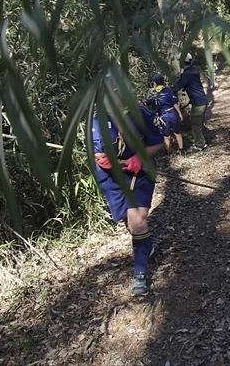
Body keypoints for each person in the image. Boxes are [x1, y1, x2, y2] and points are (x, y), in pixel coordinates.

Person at [92, 75, 164, 296]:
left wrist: (140, 158)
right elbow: (94, 148)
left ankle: (140, 274)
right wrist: (99, 157)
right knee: (129, 222)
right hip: (112, 177)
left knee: (139, 222)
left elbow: (158, 142)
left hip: (140, 173)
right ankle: (146, 246)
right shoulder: (96, 120)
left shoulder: (141, 114)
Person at [174, 52, 209, 151]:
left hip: (199, 103)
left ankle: (200, 145)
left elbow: (177, 86)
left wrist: (165, 91)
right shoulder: (192, 70)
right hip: (201, 101)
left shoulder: (187, 73)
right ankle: (200, 142)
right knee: (197, 123)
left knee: (195, 124)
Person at [147, 73, 185, 155]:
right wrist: (180, 113)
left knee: (166, 136)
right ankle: (181, 151)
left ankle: (168, 153)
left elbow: (149, 103)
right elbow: (174, 103)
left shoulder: (153, 93)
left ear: (155, 83)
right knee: (177, 132)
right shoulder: (169, 90)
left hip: (163, 116)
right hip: (172, 113)